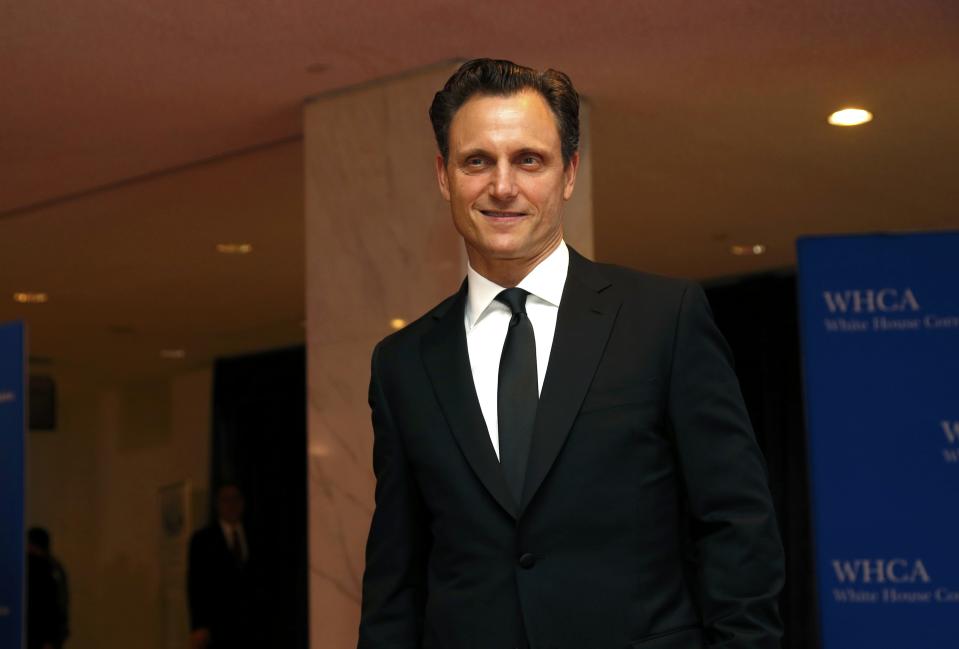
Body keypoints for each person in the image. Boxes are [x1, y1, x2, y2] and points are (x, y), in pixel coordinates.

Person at [356, 59, 785, 649]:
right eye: (476, 160)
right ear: (443, 176)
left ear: (568, 173)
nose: (502, 186)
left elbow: (737, 524)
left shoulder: (663, 318)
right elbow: (395, 582)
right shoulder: (403, 364)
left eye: (528, 160)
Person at [187, 484, 257, 649]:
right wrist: (199, 625)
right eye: (226, 500)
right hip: (217, 628)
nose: (232, 505)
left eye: (236, 499)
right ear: (217, 504)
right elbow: (196, 584)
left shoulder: (255, 535)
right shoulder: (202, 540)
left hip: (251, 628)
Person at [26, 527, 69, 649]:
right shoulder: (54, 568)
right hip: (48, 636)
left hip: (39, 636)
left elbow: (50, 606)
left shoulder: (39, 568)